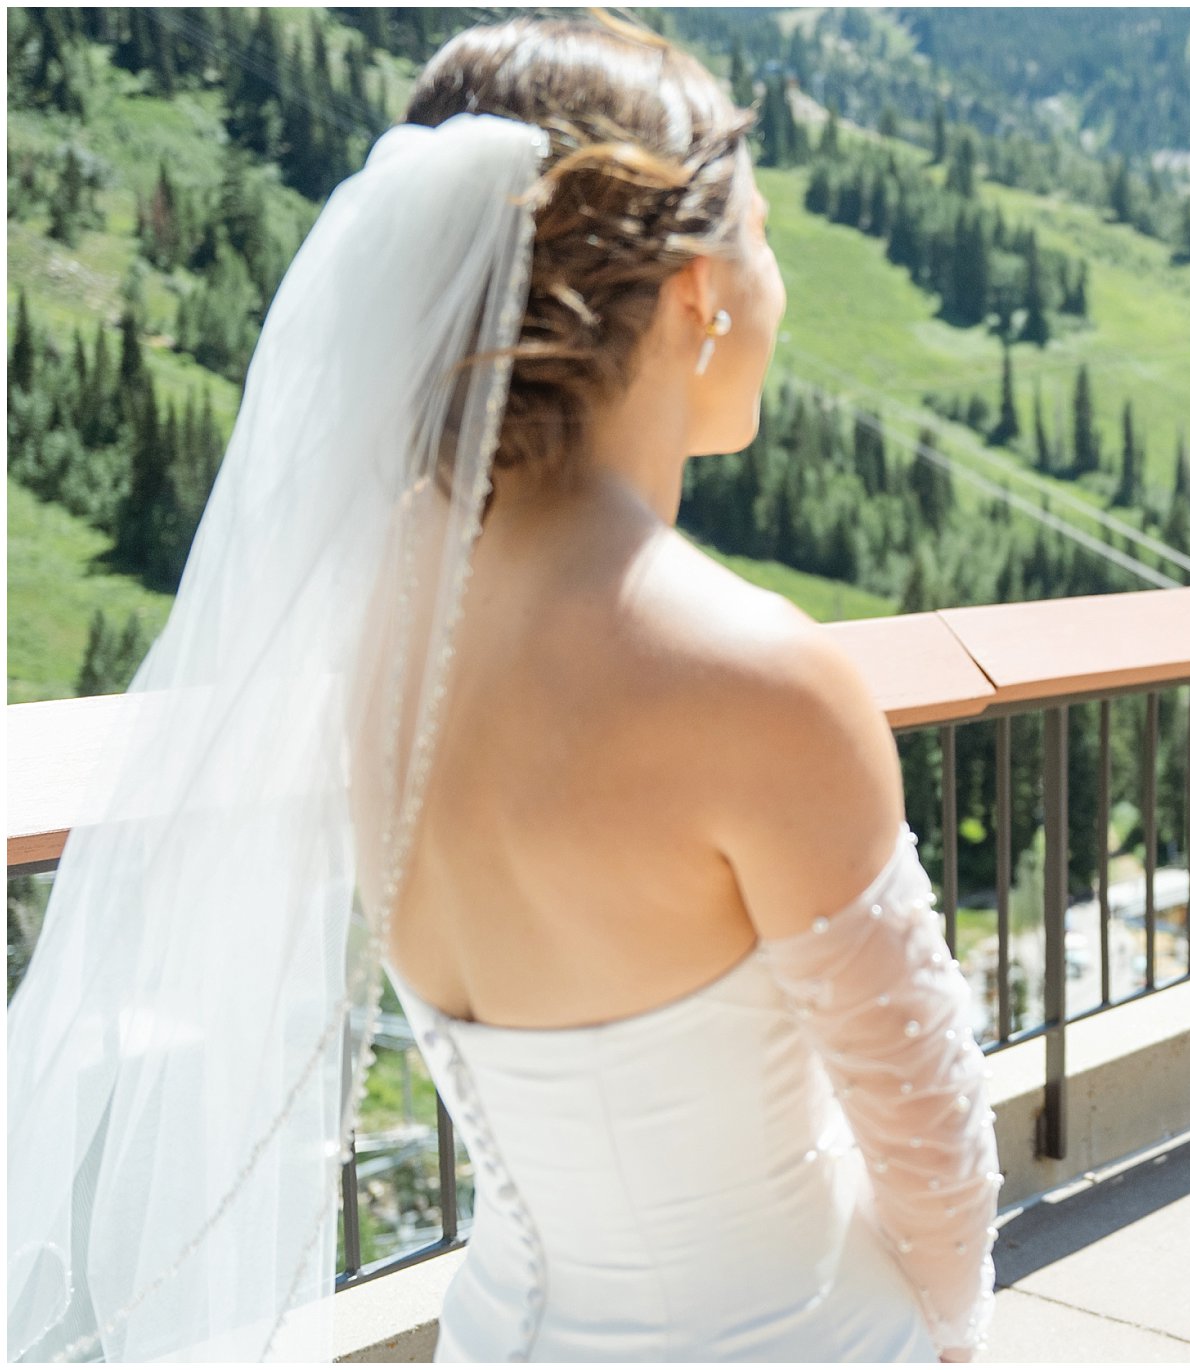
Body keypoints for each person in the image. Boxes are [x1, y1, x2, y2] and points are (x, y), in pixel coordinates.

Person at [7, 14, 996, 1363]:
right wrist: (945, 1340)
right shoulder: (757, 678)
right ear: (702, 287)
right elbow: (931, 1150)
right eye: (764, 231)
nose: (779, 278)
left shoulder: (372, 611)